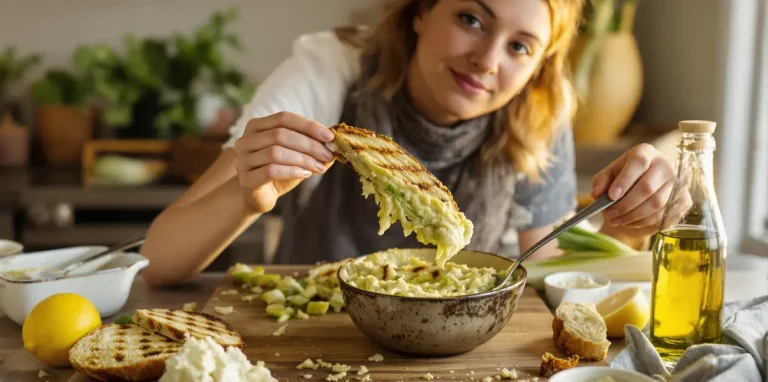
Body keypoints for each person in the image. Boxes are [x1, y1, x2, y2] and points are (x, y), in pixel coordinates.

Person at [140, 0, 676, 287]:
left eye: (519, 46)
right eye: (471, 19)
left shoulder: (538, 109)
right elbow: (158, 261)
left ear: (538, 66)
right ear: (421, 12)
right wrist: (248, 196)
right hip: (315, 328)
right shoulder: (331, 69)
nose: (487, 61)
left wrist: (623, 223)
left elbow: (544, 268)